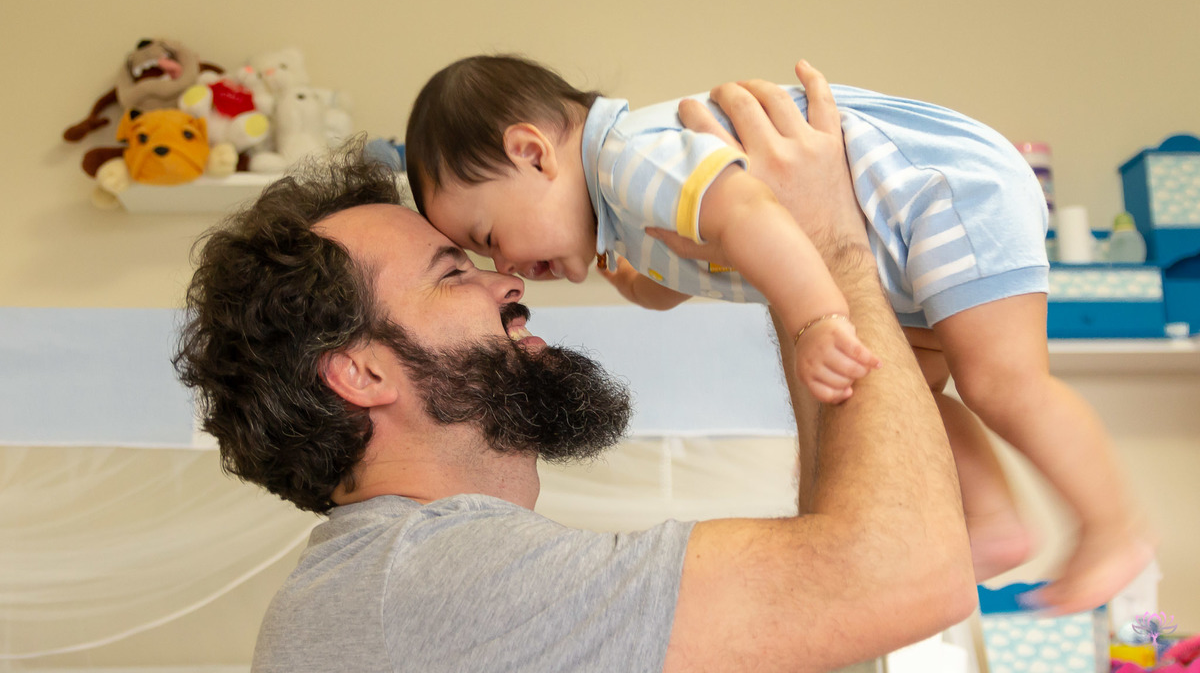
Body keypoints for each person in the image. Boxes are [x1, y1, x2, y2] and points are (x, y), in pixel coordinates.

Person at [174, 65, 977, 672]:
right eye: (455, 273)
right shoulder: (431, 580)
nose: (508, 279)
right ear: (361, 373)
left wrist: (800, 290)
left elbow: (835, 618)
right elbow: (900, 577)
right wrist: (831, 240)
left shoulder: (403, 583)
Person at [403, 54, 1155, 613]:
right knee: (912, 389)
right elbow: (690, 270)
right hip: (899, 237)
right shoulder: (630, 209)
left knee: (1000, 380)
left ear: (532, 152)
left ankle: (1112, 526)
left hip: (943, 190)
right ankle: (992, 519)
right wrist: (638, 281)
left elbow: (754, 216)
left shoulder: (633, 158)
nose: (505, 267)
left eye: (489, 233)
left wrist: (818, 321)